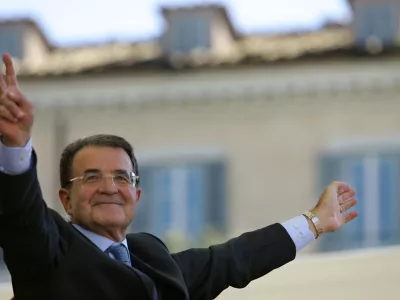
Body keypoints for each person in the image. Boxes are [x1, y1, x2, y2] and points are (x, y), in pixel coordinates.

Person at [0, 52, 358, 300]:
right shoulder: (49, 250)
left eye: (122, 178)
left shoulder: (150, 258)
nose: (110, 187)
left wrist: (315, 222)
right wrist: (16, 145)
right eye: (91, 177)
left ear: (136, 197)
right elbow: (22, 213)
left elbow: (232, 259)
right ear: (66, 199)